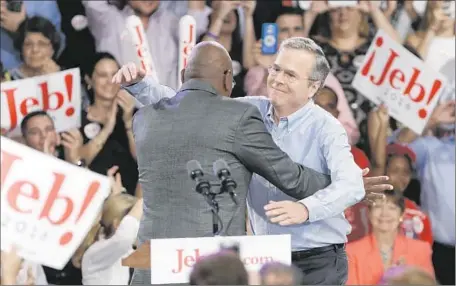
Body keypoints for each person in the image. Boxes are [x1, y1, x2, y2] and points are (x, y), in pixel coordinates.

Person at [114, 38, 392, 285]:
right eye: (277, 69)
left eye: (291, 75)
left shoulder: (327, 128)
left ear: (313, 87)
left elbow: (350, 185)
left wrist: (306, 209)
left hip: (316, 260)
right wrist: (141, 85)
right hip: (266, 258)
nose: (278, 79)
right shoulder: (250, 109)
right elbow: (192, 103)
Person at [346, 190, 435, 285]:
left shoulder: (420, 250)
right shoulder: (351, 252)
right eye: (378, 207)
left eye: (392, 208)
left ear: (402, 215)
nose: (385, 213)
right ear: (369, 213)